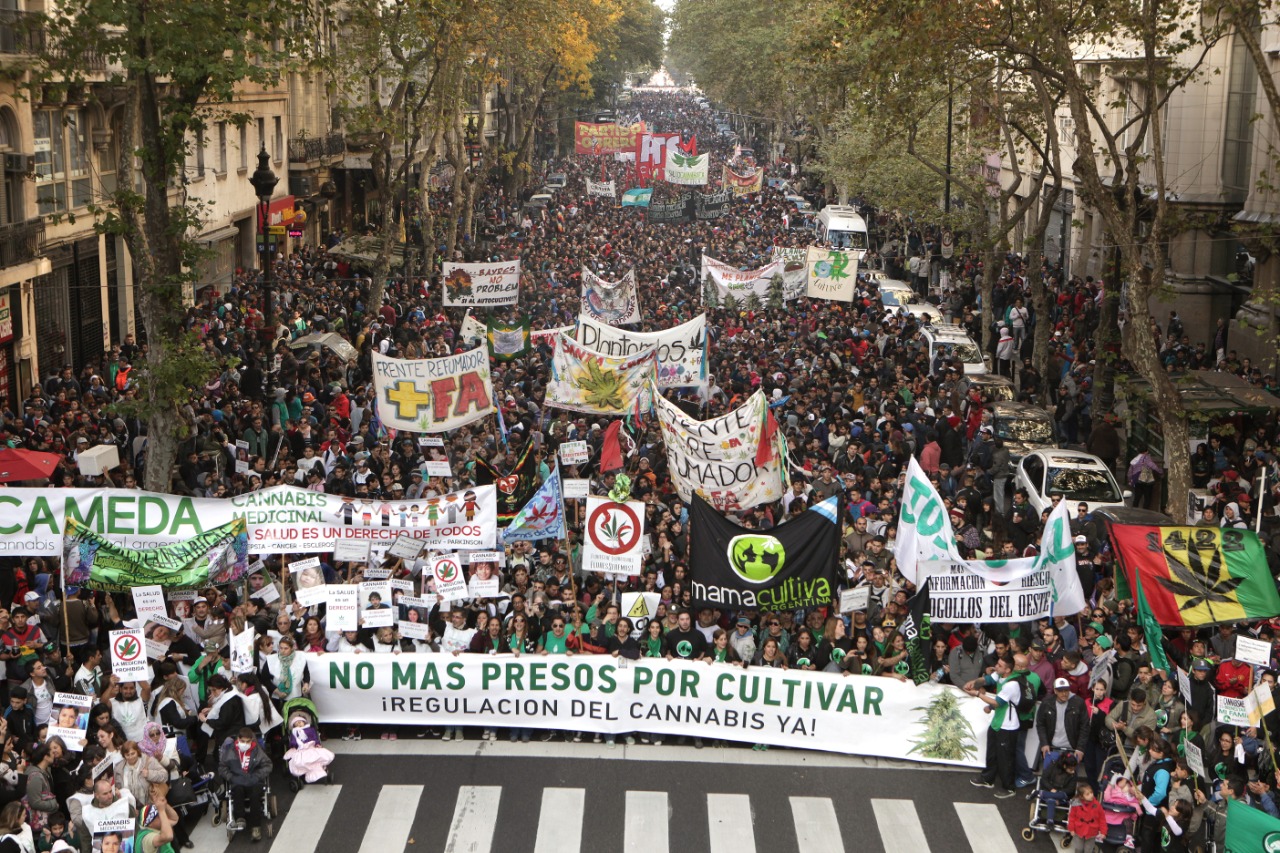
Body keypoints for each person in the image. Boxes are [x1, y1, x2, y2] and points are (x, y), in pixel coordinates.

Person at [967, 654, 1022, 798]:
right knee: (992, 752)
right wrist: (974, 682)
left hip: (1008, 726)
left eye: (1000, 666)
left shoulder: (1012, 685)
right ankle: (987, 778)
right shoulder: (1001, 676)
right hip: (998, 722)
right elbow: (988, 679)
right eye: (997, 664)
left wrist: (978, 694)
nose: (996, 667)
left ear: (1008, 670)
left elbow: (998, 702)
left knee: (1005, 758)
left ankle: (1009, 787)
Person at [217, 727, 271, 842]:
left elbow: (268, 765)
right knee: (237, 789)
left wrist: (257, 776)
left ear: (252, 740)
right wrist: (231, 777)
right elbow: (222, 768)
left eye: (248, 742)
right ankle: (240, 817)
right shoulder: (230, 751)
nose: (245, 744)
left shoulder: (257, 750)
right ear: (238, 739)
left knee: (256, 795)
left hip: (253, 780)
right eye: (243, 741)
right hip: (237, 780)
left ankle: (256, 827)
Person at [1066, 782, 1106, 853]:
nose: (1091, 795)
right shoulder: (1076, 804)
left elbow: (1102, 818)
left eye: (1091, 792)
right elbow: (1072, 817)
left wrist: (1103, 831)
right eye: (1087, 794)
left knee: (1088, 850)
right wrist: (1071, 829)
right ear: (1081, 796)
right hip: (1079, 830)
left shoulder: (1097, 805)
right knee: (1079, 849)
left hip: (1092, 831)